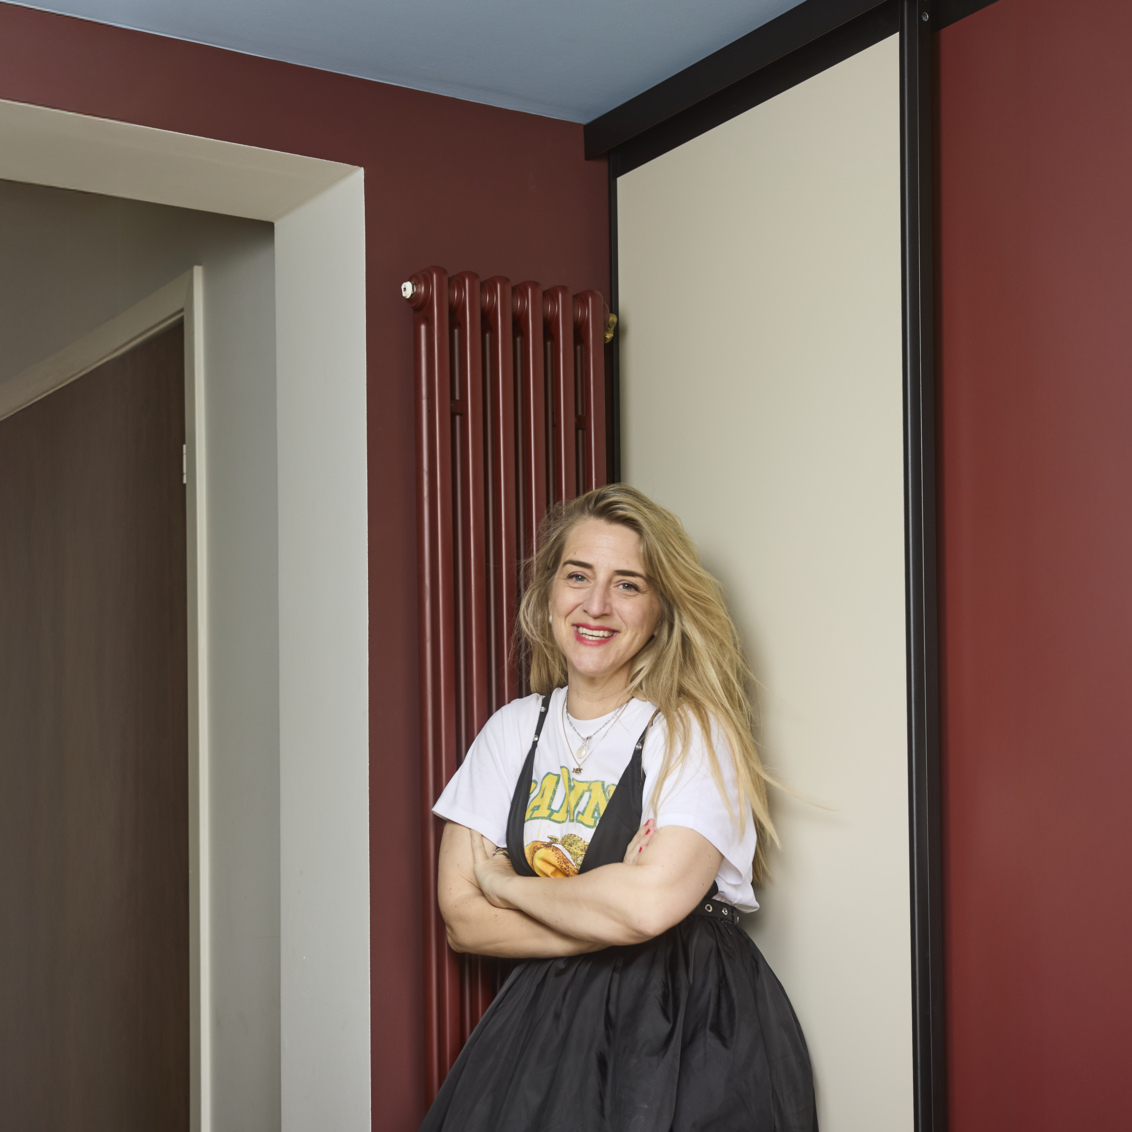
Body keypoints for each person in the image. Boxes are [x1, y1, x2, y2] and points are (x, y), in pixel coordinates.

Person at [421, 484, 817, 1132]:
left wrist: (502, 882)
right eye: (578, 576)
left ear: (661, 610)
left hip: (687, 1027)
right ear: (549, 592)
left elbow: (648, 907)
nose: (596, 604)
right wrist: (609, 906)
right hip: (540, 1034)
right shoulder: (512, 731)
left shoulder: (691, 730)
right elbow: (464, 923)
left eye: (628, 584)